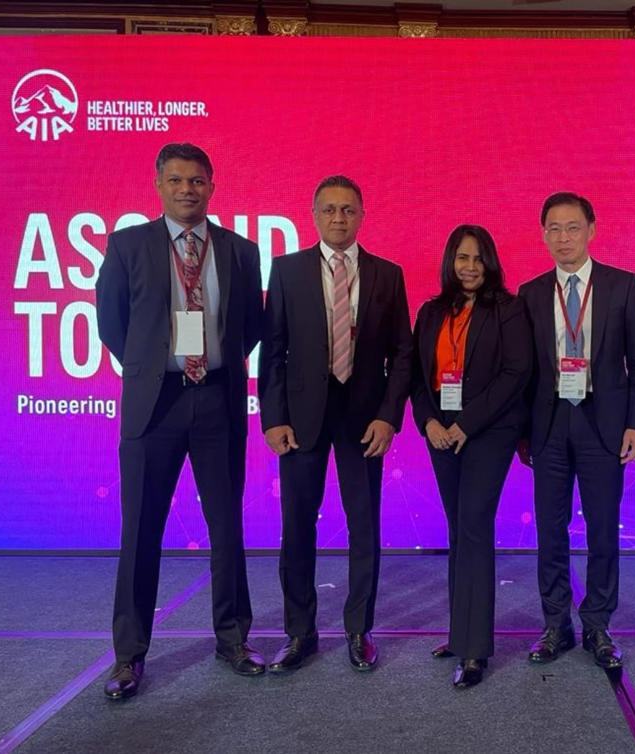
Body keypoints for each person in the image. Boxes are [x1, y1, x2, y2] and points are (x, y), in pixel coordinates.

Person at [96, 143, 265, 699]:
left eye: (196, 180)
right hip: (156, 403)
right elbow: (112, 323)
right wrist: (153, 366)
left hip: (217, 398)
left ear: (212, 185)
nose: (186, 189)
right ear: (158, 185)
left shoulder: (241, 251)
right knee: (141, 530)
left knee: (226, 526)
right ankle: (129, 656)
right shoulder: (127, 245)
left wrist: (208, 361)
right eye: (175, 180)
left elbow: (251, 325)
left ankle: (233, 639)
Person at [259, 175, 412, 673]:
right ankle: (299, 633)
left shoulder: (388, 274)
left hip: (364, 418)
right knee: (297, 524)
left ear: (362, 214)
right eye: (329, 209)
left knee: (363, 525)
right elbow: (273, 351)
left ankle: (358, 629)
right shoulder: (287, 270)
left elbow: (403, 354)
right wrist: (273, 419)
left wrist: (389, 417)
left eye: (348, 209)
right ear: (314, 215)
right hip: (301, 419)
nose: (339, 218)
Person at [518, 193, 635, 669]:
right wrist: (522, 432)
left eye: (572, 227)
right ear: (543, 235)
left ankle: (597, 624)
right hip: (550, 423)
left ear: (592, 230)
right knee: (550, 530)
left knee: (602, 529)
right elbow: (524, 372)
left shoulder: (622, 285)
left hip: (605, 424)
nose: (563, 238)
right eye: (553, 229)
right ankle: (556, 625)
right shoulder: (531, 293)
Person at [411, 225, 532, 688]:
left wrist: (466, 424)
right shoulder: (431, 311)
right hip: (441, 433)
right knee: (459, 529)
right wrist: (429, 422)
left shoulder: (508, 309)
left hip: (488, 431)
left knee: (475, 527)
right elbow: (416, 376)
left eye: (478, 258)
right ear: (450, 261)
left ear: (490, 263)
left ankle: (476, 648)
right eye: (462, 257)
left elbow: (515, 373)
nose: (470, 267)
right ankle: (460, 633)